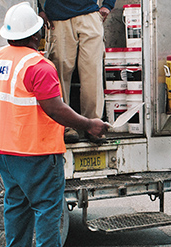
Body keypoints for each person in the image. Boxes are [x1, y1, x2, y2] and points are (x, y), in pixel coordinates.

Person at [0, 2, 108, 247]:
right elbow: (55, 109)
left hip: (5, 147)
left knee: (16, 205)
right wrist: (89, 124)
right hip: (36, 149)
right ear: (37, 34)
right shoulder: (39, 66)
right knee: (47, 208)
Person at [38, 0, 115, 142]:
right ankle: (65, 125)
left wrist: (108, 4)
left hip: (90, 15)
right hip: (58, 17)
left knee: (92, 72)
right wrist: (38, 8)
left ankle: (94, 124)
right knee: (60, 72)